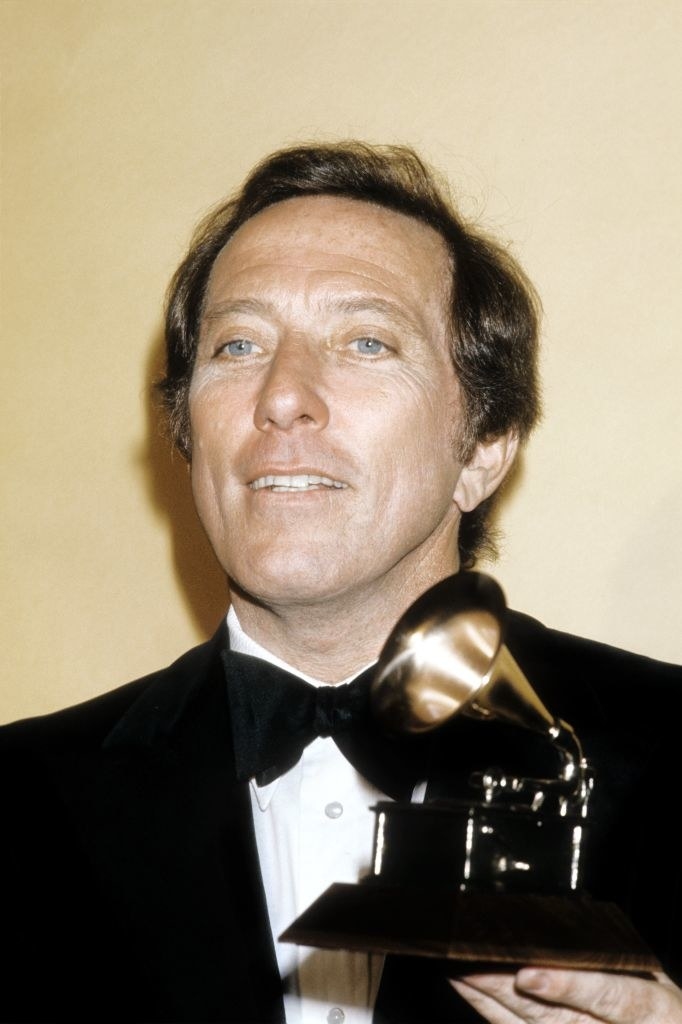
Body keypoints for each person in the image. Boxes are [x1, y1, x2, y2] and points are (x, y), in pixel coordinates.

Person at [1, 142, 681, 1024]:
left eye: (367, 341)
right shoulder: (17, 797)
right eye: (237, 345)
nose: (283, 396)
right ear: (187, 432)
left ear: (482, 450)